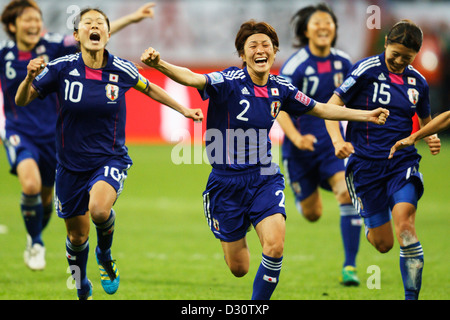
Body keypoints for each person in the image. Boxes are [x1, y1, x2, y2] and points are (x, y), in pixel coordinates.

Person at [140, 20, 388, 300]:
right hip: (226, 184)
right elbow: (193, 78)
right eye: (253, 46)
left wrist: (366, 114)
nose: (260, 50)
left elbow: (321, 109)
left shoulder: (281, 88)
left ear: (274, 51)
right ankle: (239, 224)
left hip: (264, 179)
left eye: (266, 45)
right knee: (239, 268)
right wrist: (160, 64)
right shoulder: (228, 82)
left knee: (274, 246)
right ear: (243, 55)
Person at [15, 7, 203, 300]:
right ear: (77, 35)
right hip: (69, 166)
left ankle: (104, 255)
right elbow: (22, 100)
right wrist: (28, 78)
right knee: (76, 237)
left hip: (109, 159)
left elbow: (150, 88)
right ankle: (81, 286)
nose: (94, 27)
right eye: (87, 23)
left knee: (100, 210)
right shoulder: (61, 68)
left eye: (99, 23)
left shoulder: (121, 68)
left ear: (107, 33)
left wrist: (184, 109)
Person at [0, 0, 157, 271]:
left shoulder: (52, 45)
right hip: (19, 129)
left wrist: (131, 18)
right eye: (27, 19)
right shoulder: (3, 53)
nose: (34, 24)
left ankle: (40, 236)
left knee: (47, 198)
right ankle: (35, 241)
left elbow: (92, 34)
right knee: (31, 185)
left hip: (54, 134)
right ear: (12, 26)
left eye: (37, 19)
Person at [325, 20, 441, 300]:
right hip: (364, 166)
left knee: (406, 228)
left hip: (401, 163)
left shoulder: (418, 83)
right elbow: (331, 107)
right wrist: (339, 141)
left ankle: (411, 297)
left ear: (416, 55)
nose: (400, 61)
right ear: (386, 43)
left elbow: (425, 121)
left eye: (407, 57)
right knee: (383, 244)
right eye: (395, 54)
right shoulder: (366, 70)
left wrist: (429, 136)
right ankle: (373, 223)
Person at [277, 3, 361, 286]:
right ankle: (314, 188)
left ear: (335, 29)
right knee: (313, 214)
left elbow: (356, 102)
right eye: (317, 23)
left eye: (329, 22)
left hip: (332, 143)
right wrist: (297, 138)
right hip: (298, 148)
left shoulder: (344, 63)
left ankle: (350, 266)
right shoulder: (295, 65)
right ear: (305, 30)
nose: (324, 27)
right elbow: (280, 107)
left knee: (347, 194)